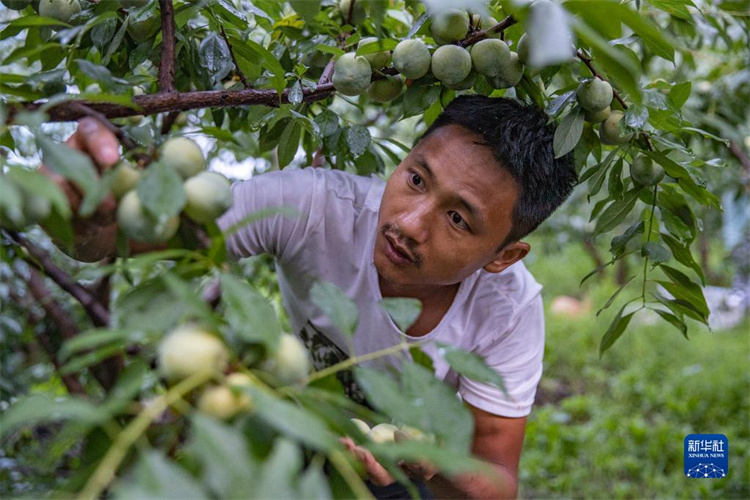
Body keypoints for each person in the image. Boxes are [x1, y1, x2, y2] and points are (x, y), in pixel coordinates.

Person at [47, 95, 577, 499]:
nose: (409, 225)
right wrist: (83, 204)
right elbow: (116, 240)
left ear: (504, 255)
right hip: (292, 430)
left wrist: (431, 462)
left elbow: (497, 478)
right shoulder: (314, 206)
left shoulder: (510, 310)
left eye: (458, 218)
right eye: (416, 178)